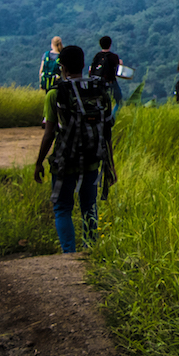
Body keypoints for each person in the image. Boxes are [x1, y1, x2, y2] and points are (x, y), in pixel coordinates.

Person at [34, 45, 116, 254]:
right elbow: (106, 131)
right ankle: (91, 251)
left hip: (65, 160)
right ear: (83, 64)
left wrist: (39, 162)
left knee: (63, 208)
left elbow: (49, 134)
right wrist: (110, 164)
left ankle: (68, 255)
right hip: (92, 157)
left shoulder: (55, 94)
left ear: (61, 66)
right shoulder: (98, 90)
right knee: (89, 207)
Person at [89, 36, 123, 119]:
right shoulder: (114, 57)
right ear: (110, 45)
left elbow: (91, 69)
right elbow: (118, 71)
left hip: (98, 84)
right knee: (119, 102)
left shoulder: (97, 56)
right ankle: (112, 118)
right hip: (111, 82)